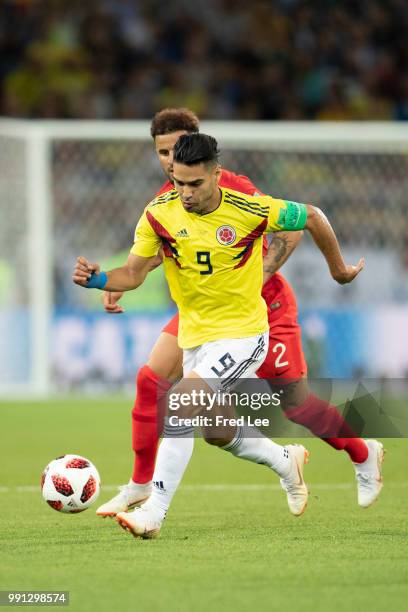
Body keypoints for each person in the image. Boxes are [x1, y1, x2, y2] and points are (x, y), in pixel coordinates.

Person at [95, 109, 384, 519]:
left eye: (175, 148)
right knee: (163, 389)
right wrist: (112, 279)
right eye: (161, 153)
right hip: (203, 312)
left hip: (259, 307)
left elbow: (292, 225)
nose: (168, 159)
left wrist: (259, 274)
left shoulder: (231, 187)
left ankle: (363, 451)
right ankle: (143, 487)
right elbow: (172, 248)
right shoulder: (172, 196)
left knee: (295, 404)